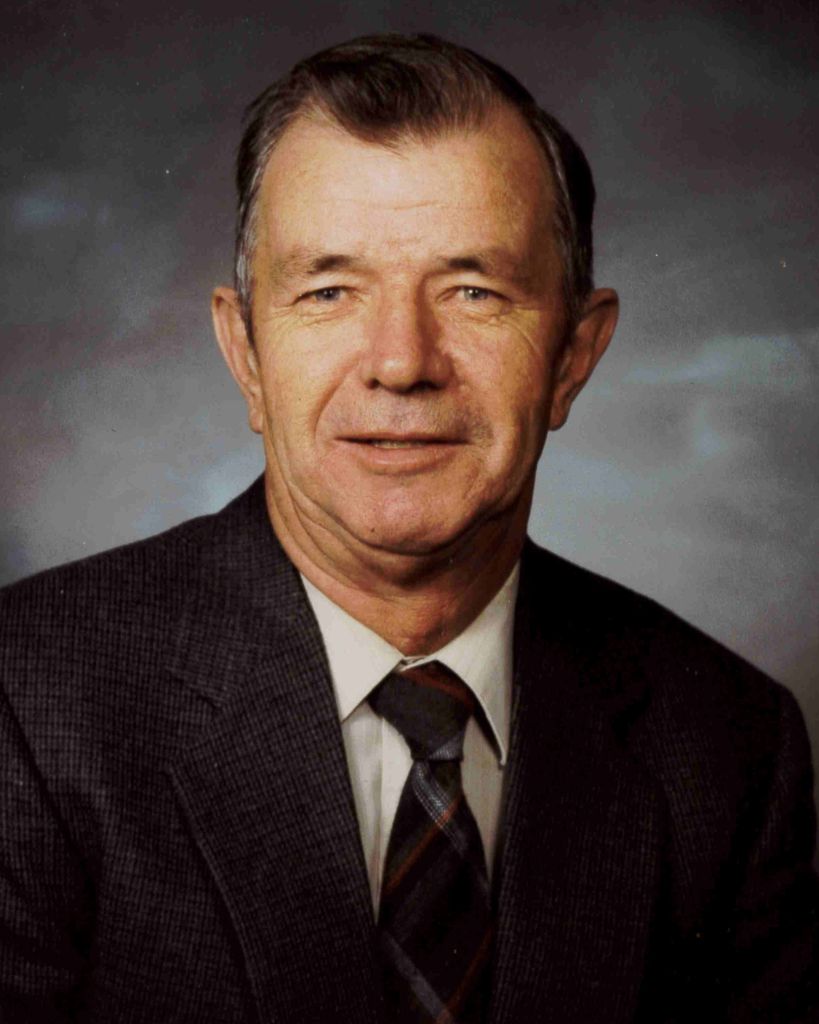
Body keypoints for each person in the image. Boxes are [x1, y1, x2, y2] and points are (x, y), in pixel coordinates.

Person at [1, 33, 817, 1024]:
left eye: (474, 291)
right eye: (329, 291)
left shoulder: (730, 744)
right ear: (246, 353)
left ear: (573, 355)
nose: (400, 361)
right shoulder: (27, 702)